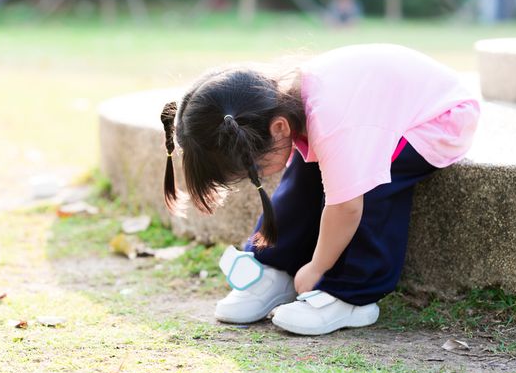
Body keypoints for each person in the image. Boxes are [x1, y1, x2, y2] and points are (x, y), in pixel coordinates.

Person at [159, 44, 481, 336]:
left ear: (278, 127)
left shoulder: (335, 123)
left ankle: (352, 294)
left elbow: (347, 208)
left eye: (252, 168)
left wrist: (318, 266)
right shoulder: (287, 109)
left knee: (370, 184)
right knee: (305, 170)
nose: (255, 176)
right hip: (378, 108)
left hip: (439, 118)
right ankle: (276, 266)